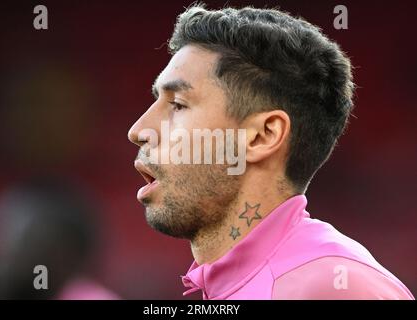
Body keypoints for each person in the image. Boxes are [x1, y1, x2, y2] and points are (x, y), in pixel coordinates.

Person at [127, 5, 414, 299]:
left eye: (177, 105)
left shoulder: (335, 286)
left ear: (263, 136)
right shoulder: (227, 287)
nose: (138, 130)